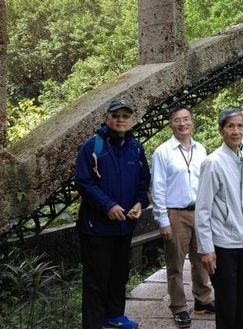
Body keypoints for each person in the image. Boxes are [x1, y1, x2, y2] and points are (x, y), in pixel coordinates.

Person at [74, 99, 151, 329]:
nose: (120, 120)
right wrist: (107, 205)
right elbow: (83, 182)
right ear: (106, 118)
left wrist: (139, 202)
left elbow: (142, 180)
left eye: (125, 116)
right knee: (96, 279)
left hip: (124, 226)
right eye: (116, 115)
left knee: (119, 274)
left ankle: (114, 316)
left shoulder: (135, 147)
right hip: (96, 227)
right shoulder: (93, 146)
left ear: (131, 120)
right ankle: (94, 324)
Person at [195, 108, 243, 329]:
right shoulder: (213, 163)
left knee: (241, 299)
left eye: (240, 126)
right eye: (230, 126)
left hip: (242, 242)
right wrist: (206, 249)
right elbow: (203, 208)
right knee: (227, 301)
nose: (236, 131)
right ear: (221, 130)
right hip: (222, 244)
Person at [151, 106, 215, 328]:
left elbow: (207, 183)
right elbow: (158, 187)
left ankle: (202, 300)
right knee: (175, 264)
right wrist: (163, 220)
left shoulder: (201, 149)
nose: (182, 123)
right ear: (171, 124)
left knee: (202, 260)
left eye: (186, 119)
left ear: (192, 122)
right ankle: (179, 307)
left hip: (200, 212)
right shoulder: (163, 151)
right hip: (176, 213)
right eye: (177, 120)